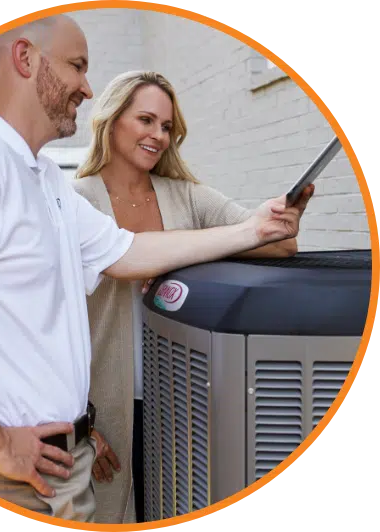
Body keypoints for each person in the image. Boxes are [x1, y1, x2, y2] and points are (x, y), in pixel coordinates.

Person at [0, 14, 313, 524]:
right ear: (26, 58)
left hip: (58, 468)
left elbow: (126, 253)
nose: (87, 86)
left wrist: (252, 231)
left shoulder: (42, 180)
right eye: (77, 66)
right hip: (12, 475)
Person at [72, 70, 314, 524]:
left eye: (167, 127)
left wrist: (279, 222)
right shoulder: (75, 202)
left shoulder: (185, 197)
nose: (158, 136)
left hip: (181, 403)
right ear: (112, 119)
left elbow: (276, 244)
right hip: (102, 411)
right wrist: (77, 423)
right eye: (146, 120)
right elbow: (48, 324)